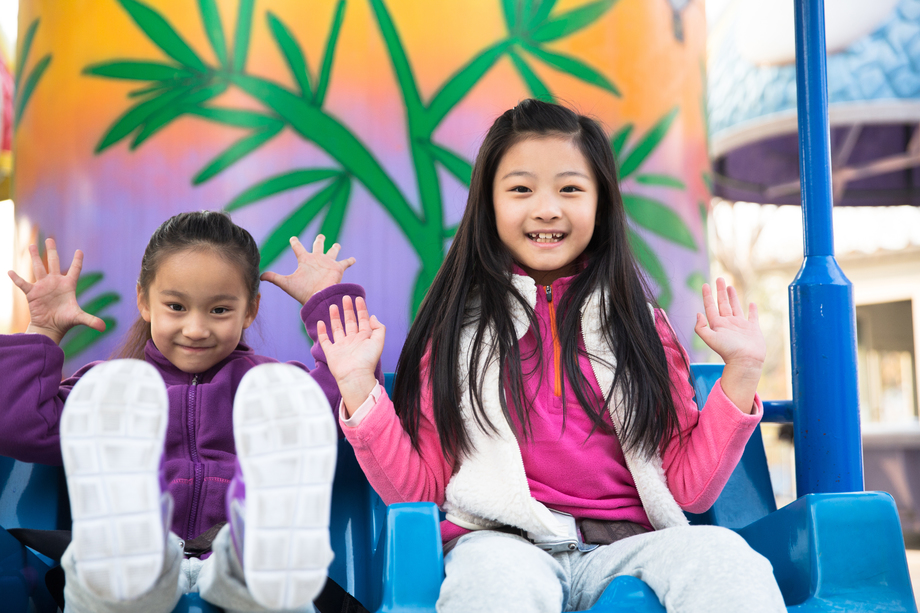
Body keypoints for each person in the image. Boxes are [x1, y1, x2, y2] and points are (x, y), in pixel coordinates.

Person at [317, 99, 786, 612]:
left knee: (726, 555)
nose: (546, 208)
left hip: (626, 547)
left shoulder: (641, 327)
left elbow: (687, 490)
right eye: (520, 189)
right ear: (488, 205)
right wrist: (361, 388)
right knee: (495, 587)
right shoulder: (455, 332)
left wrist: (741, 372)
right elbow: (421, 491)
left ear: (601, 203)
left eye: (570, 188)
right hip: (500, 544)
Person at [1, 211, 379, 613]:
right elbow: (23, 426)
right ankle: (126, 546)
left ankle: (263, 545)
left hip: (232, 552)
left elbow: (343, 390)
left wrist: (325, 302)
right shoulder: (110, 389)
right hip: (147, 551)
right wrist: (42, 330)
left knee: (291, 427)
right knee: (116, 564)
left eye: (219, 310)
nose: (196, 329)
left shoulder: (271, 388)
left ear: (249, 310)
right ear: (144, 301)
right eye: (177, 306)